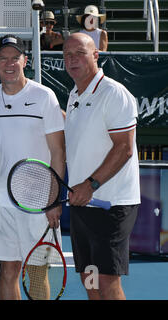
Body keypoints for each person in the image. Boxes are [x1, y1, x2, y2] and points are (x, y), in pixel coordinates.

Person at [0, 34, 65, 300]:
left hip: (38, 203)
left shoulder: (44, 97)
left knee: (37, 273)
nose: (9, 64)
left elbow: (58, 151)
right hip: (2, 203)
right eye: (3, 58)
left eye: (15, 58)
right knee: (8, 271)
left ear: (25, 61)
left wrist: (53, 199)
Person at [63, 33, 140, 300]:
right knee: (90, 279)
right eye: (67, 54)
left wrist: (90, 184)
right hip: (83, 205)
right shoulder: (74, 94)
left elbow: (124, 148)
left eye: (79, 53)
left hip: (112, 204)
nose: (72, 59)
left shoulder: (114, 93)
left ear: (96, 55)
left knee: (107, 280)